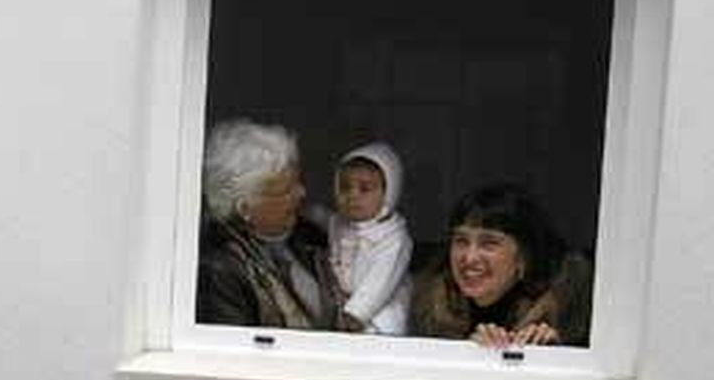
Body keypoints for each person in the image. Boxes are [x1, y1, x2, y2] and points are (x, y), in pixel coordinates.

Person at [196, 119, 344, 330]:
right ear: (245, 207)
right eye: (286, 190)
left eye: (298, 182)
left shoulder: (313, 235)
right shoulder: (218, 270)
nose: (302, 193)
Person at [410, 183, 593, 347]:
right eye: (461, 241)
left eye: (489, 243)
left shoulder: (563, 310)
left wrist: (550, 355)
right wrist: (468, 352)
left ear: (525, 256)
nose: (470, 257)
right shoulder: (430, 307)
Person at [305, 142, 413, 335]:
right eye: (345, 188)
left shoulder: (394, 238)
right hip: (343, 307)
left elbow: (380, 281)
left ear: (388, 193)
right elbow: (325, 219)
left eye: (365, 189)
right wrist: (307, 211)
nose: (353, 195)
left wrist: (355, 314)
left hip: (377, 312)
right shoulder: (340, 222)